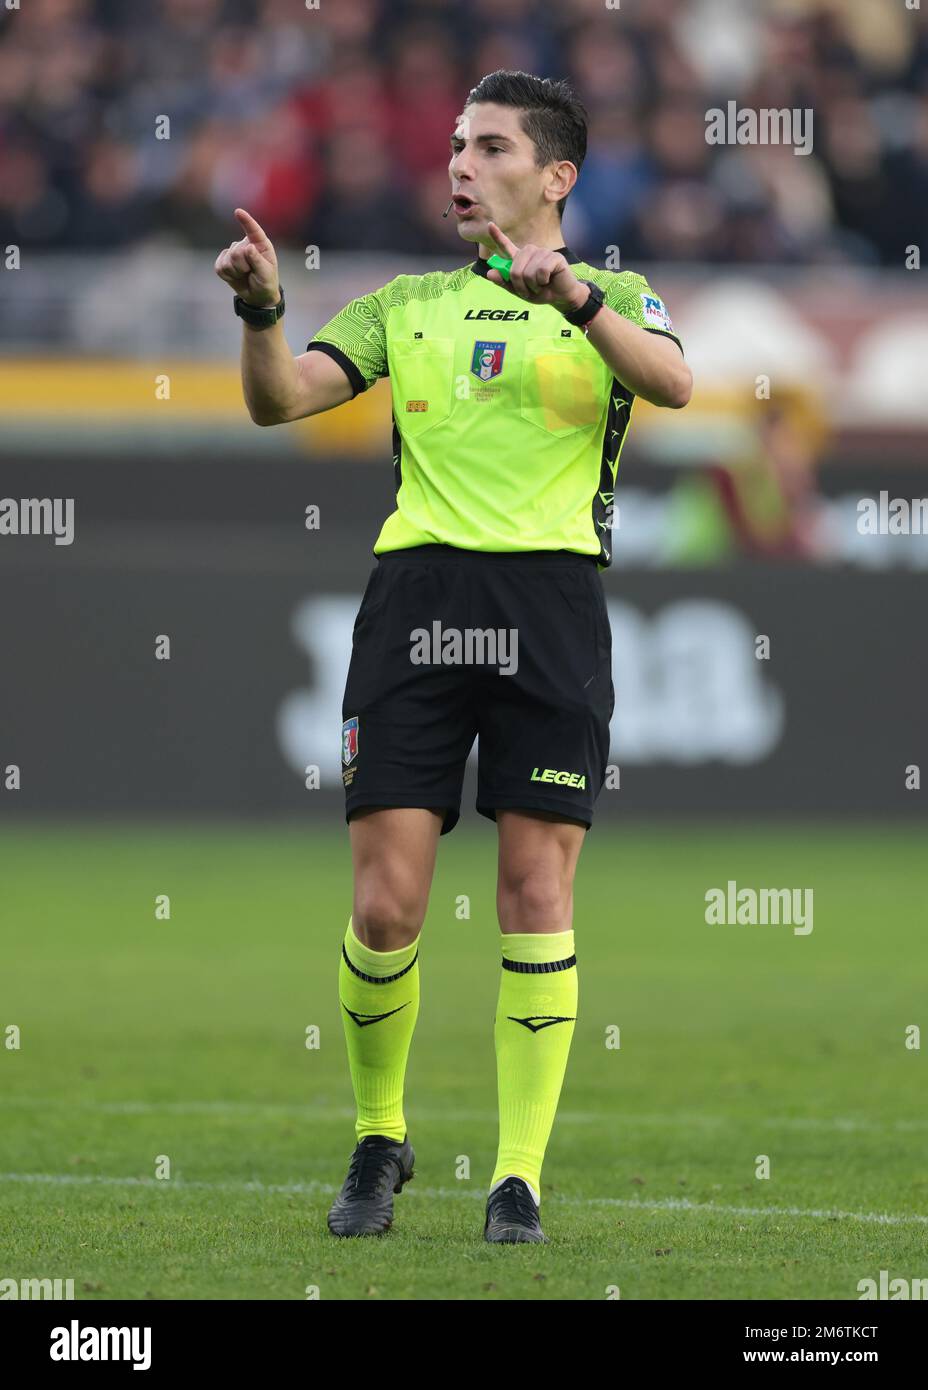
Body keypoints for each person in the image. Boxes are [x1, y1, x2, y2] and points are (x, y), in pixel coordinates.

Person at [215, 70, 692, 1245]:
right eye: (456, 147)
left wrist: (574, 300)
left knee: (537, 893)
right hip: (416, 599)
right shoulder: (403, 302)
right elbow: (280, 405)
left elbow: (674, 382)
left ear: (555, 175)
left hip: (552, 603)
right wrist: (264, 313)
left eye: (488, 148)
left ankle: (517, 1177)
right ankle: (381, 1135)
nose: (460, 167)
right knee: (386, 906)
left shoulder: (617, 293)